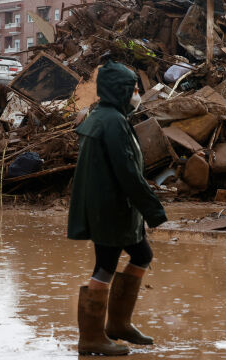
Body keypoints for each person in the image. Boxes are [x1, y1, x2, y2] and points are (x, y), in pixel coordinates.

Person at [67, 60, 168, 356]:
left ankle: (119, 324)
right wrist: (153, 210)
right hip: (111, 207)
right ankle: (92, 338)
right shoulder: (112, 122)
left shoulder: (104, 116)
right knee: (106, 265)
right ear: (121, 91)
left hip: (110, 205)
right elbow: (127, 172)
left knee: (141, 254)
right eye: (133, 89)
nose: (137, 93)